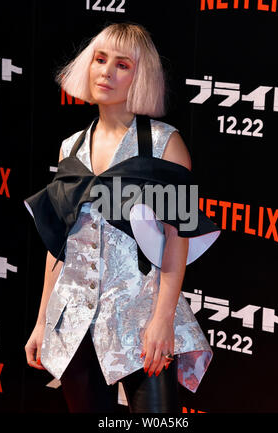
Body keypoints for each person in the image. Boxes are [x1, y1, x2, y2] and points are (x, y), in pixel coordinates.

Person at [24, 22, 217, 413]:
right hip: (73, 322)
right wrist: (43, 319)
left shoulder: (165, 144)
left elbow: (177, 238)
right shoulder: (70, 148)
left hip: (141, 323)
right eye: (99, 59)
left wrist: (163, 320)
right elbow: (59, 245)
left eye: (122, 64)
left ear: (141, 75)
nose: (106, 72)